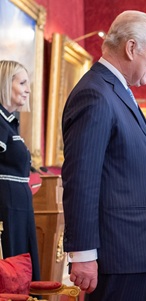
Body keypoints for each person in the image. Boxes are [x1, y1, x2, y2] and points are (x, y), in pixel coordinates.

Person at [61, 11, 146, 300]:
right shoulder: (96, 94)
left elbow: (116, 164)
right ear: (132, 47)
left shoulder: (116, 91)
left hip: (133, 252)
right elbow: (81, 180)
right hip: (119, 255)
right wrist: (84, 254)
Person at [0, 60, 40, 281]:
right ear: (6, 83)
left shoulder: (9, 123)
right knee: (12, 273)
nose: (28, 89)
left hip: (18, 207)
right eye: (23, 82)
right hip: (7, 209)